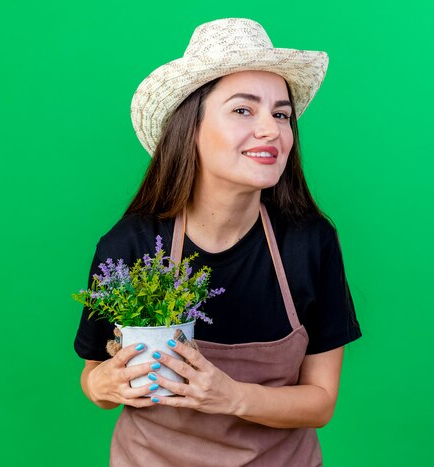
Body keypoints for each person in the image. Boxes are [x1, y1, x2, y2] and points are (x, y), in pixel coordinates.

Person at [74, 18, 362, 466]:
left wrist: (230, 396)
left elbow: (321, 401)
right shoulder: (128, 244)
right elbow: (94, 377)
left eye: (281, 114)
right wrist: (102, 385)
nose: (271, 130)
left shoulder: (309, 242)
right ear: (190, 128)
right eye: (244, 110)